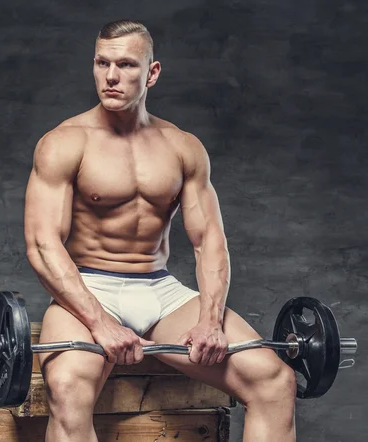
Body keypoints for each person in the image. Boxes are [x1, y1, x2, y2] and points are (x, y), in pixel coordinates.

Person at [23, 19, 296, 442]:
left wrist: (209, 320)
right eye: (102, 63)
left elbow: (209, 243)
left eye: (127, 65)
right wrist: (100, 323)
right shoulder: (65, 142)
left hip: (159, 288)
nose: (111, 76)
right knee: (68, 391)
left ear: (152, 72)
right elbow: (43, 246)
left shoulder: (182, 146)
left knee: (273, 380)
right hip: (88, 287)